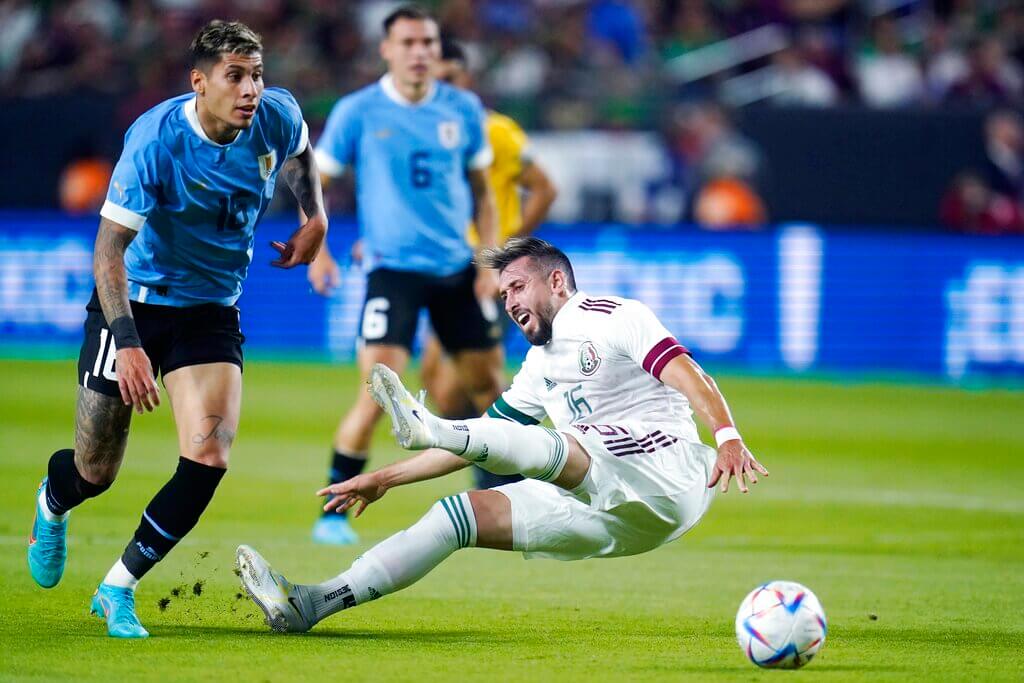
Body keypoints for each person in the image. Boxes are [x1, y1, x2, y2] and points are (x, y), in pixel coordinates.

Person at [237, 237, 768, 633]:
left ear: (556, 282)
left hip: (666, 473)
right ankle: (311, 603)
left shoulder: (614, 317)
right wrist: (384, 478)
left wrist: (726, 436)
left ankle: (430, 427)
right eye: (502, 293)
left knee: (564, 444)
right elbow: (493, 433)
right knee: (457, 517)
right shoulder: (538, 367)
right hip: (611, 514)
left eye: (518, 287)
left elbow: (686, 372)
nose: (508, 302)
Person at [27, 20, 327, 639]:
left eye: (257, 74)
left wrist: (315, 216)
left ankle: (119, 585)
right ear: (200, 82)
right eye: (235, 77)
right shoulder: (155, 142)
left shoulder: (275, 115)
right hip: (135, 303)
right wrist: (130, 344)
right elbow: (109, 250)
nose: (251, 89)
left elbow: (300, 158)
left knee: (209, 453)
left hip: (212, 306)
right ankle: (53, 503)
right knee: (95, 471)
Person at [306, 5, 503, 546]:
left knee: (492, 386)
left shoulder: (462, 108)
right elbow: (314, 182)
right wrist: (317, 251)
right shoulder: (358, 110)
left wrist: (490, 261)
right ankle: (332, 511)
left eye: (429, 44)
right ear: (386, 50)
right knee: (377, 393)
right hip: (392, 271)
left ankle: (508, 486)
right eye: (409, 43)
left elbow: (484, 194)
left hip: (457, 270)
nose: (420, 53)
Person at [419, 37, 558, 490]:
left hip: (484, 272)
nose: (441, 89)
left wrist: (507, 251)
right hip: (443, 268)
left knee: (475, 380)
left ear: (467, 81)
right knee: (442, 389)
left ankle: (511, 480)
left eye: (450, 80)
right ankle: (501, 469)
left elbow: (544, 188)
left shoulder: (494, 131)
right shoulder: (422, 134)